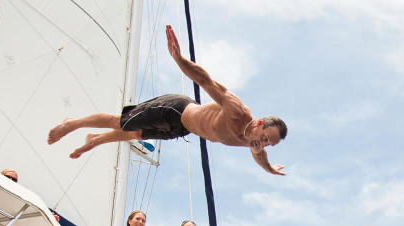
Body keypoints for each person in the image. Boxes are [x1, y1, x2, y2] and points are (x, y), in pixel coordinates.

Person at [47, 25, 287, 176]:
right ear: (258, 124)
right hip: (175, 110)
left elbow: (260, 157)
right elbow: (206, 81)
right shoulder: (237, 111)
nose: (264, 145)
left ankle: (96, 140)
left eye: (269, 144)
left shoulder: (252, 143)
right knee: (121, 123)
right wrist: (179, 59)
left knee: (136, 135)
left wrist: (270, 169)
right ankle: (73, 123)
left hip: (182, 128)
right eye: (266, 138)